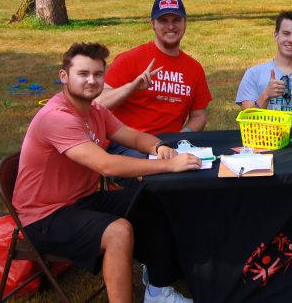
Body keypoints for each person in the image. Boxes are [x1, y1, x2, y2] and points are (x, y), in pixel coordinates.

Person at [12, 43, 199, 303]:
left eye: (98, 74)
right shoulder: (57, 118)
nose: (92, 80)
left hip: (82, 200)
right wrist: (168, 164)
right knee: (118, 231)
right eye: (83, 74)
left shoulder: (95, 110)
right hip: (44, 216)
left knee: (155, 199)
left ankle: (158, 288)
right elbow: (107, 166)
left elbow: (130, 135)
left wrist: (159, 146)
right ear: (64, 76)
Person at [95, 0, 212, 159]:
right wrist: (132, 87)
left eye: (176, 20)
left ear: (185, 23)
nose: (170, 26)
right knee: (158, 174)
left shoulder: (194, 68)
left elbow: (199, 116)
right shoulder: (130, 60)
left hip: (171, 145)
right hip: (129, 145)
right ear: (153, 24)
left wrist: (182, 134)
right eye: (163, 20)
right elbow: (98, 103)